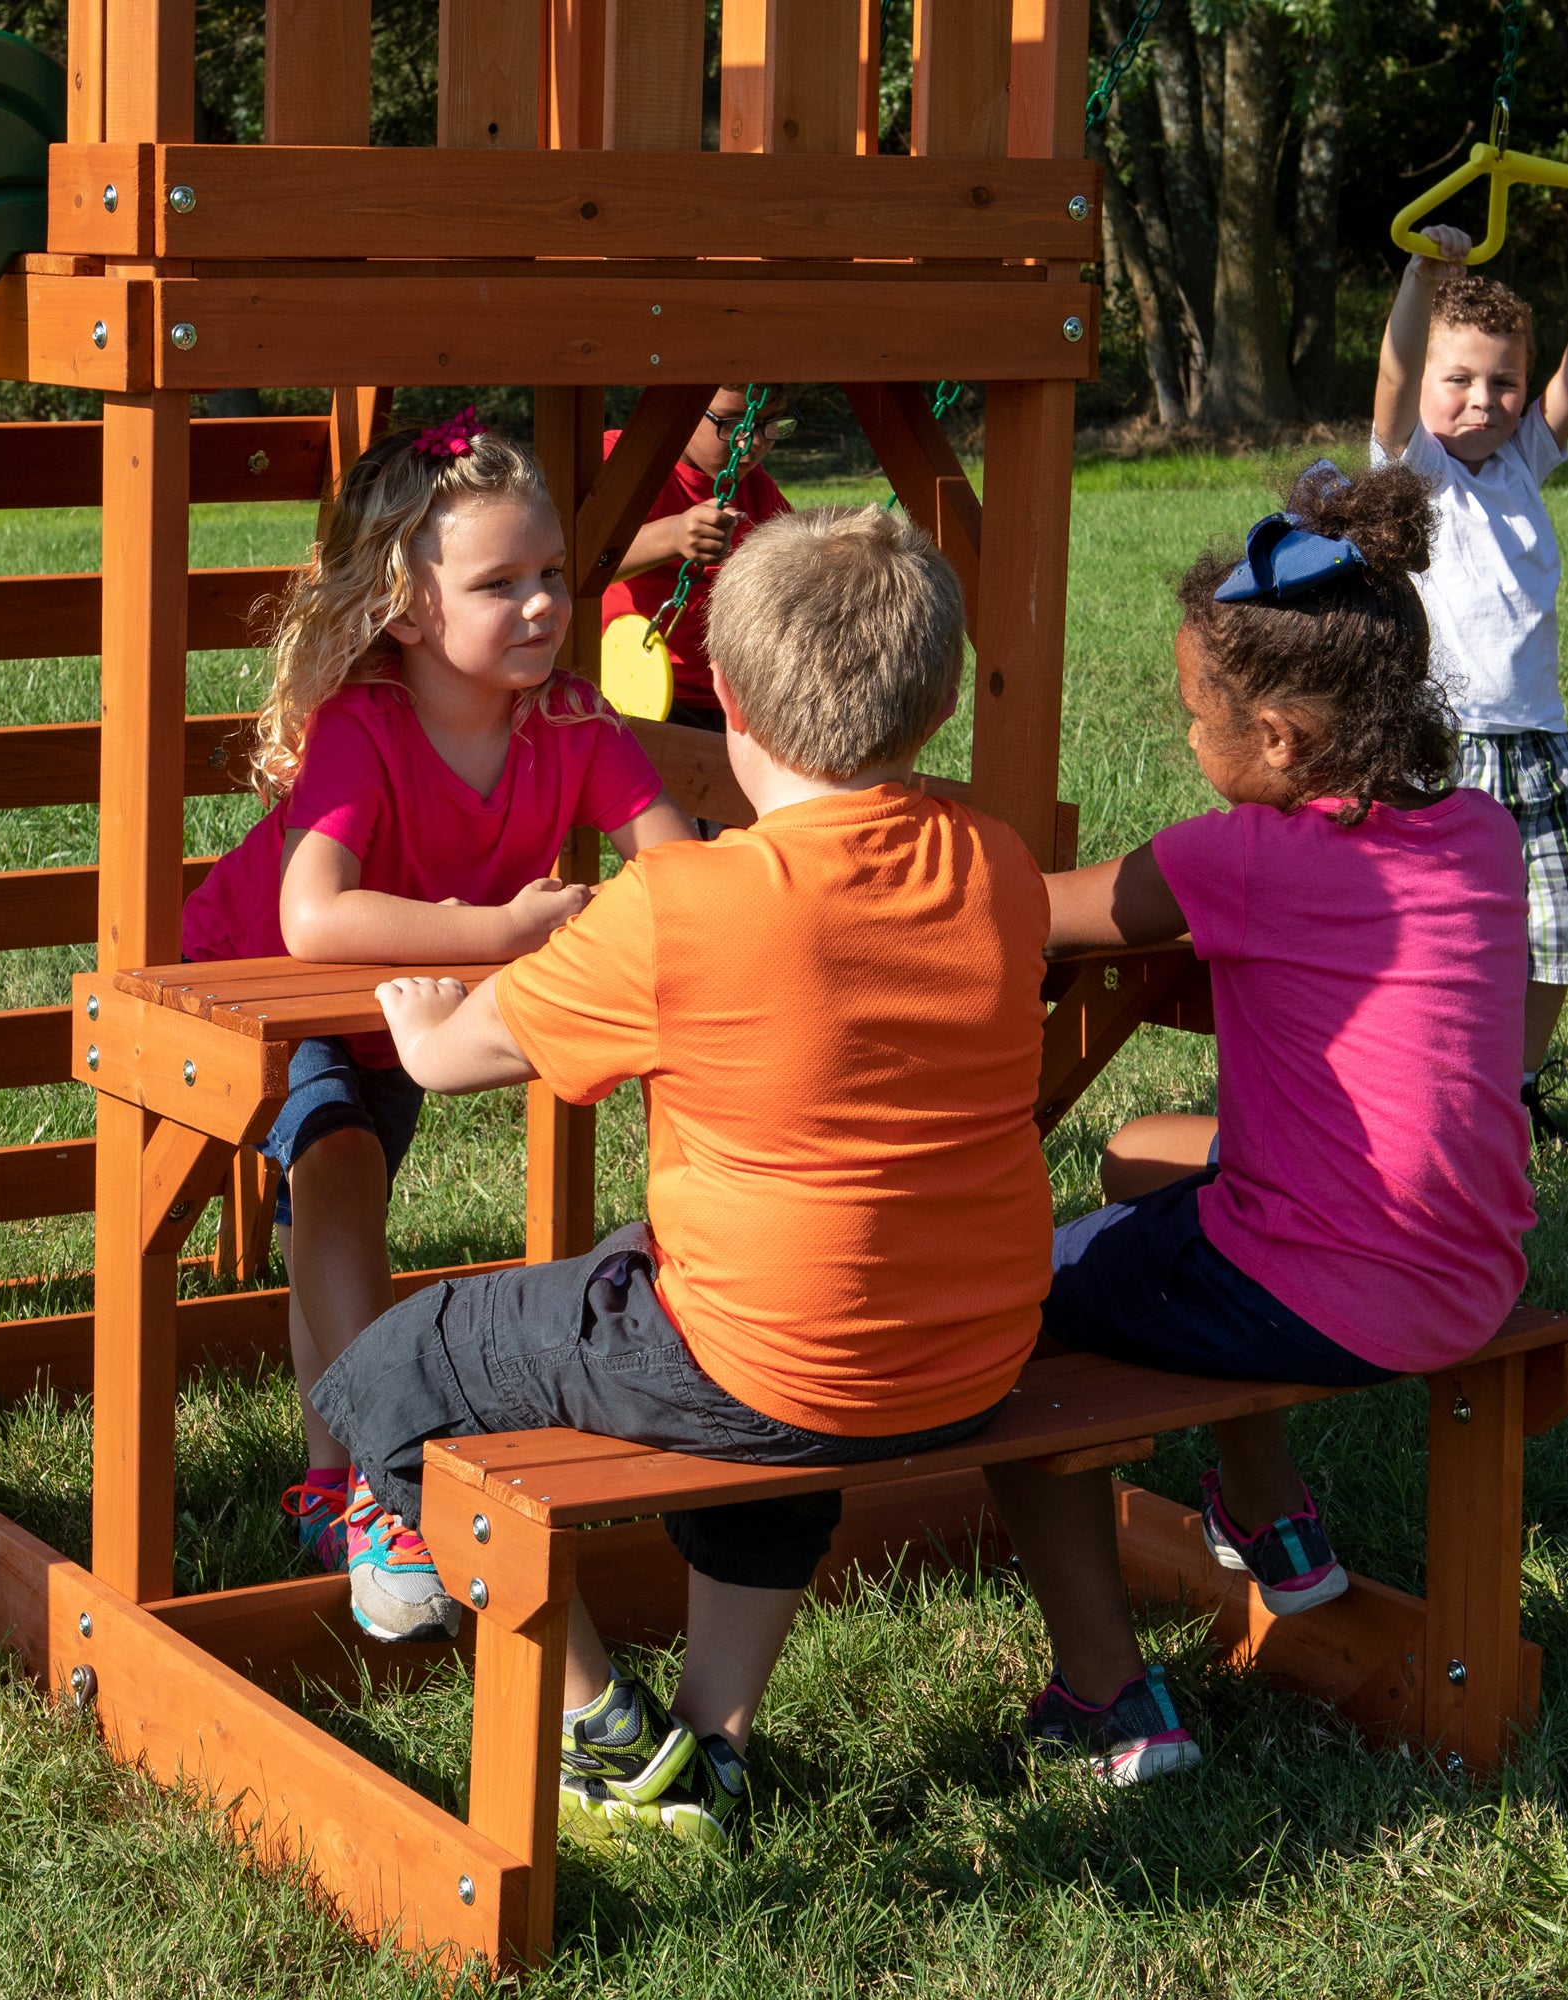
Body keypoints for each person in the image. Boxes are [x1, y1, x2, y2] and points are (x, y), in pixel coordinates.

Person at [308, 505, 1053, 1847]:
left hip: (783, 1360)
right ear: (936, 706)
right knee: (719, 1305)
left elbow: (455, 1058)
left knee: (394, 1367)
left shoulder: (688, 903)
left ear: (736, 723)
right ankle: (715, 1742)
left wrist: (417, 1027)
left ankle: (602, 1733)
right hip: (970, 1350)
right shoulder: (994, 862)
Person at [986, 461, 1537, 1785]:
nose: (1187, 740)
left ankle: (1111, 1697)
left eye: (1193, 715)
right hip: (1471, 1270)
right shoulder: (1478, 838)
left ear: (1280, 741)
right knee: (1145, 1163)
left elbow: (1033, 914)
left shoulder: (1238, 857)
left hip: (1331, 1288)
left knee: (1002, 1316)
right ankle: (1274, 1525)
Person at [180, 411, 693, 1629]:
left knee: (331, 1219)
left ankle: (332, 1479)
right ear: (408, 611)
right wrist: (504, 932)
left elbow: (672, 861)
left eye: (554, 575)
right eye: (498, 582)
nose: (541, 605)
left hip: (400, 1002)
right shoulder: (365, 725)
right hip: (256, 986)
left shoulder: (567, 717)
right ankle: (390, 1477)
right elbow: (312, 917)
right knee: (343, 1171)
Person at [1373, 228, 1568, 1140]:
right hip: (1441, 744)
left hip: (1539, 741)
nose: (1482, 402)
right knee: (1436, 932)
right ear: (1427, 386)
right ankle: (1427, 1076)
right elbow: (1392, 376)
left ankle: (1518, 1086)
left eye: (1503, 382)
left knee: (1553, 933)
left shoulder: (1521, 465)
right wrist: (1423, 278)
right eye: (1458, 379)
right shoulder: (1413, 470)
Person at [599, 385, 794, 729]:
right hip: (635, 692)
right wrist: (672, 536)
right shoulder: (625, 461)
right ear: (679, 409)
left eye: (770, 423)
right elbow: (578, 557)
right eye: (733, 423)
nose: (753, 442)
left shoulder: (754, 487)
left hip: (732, 694)